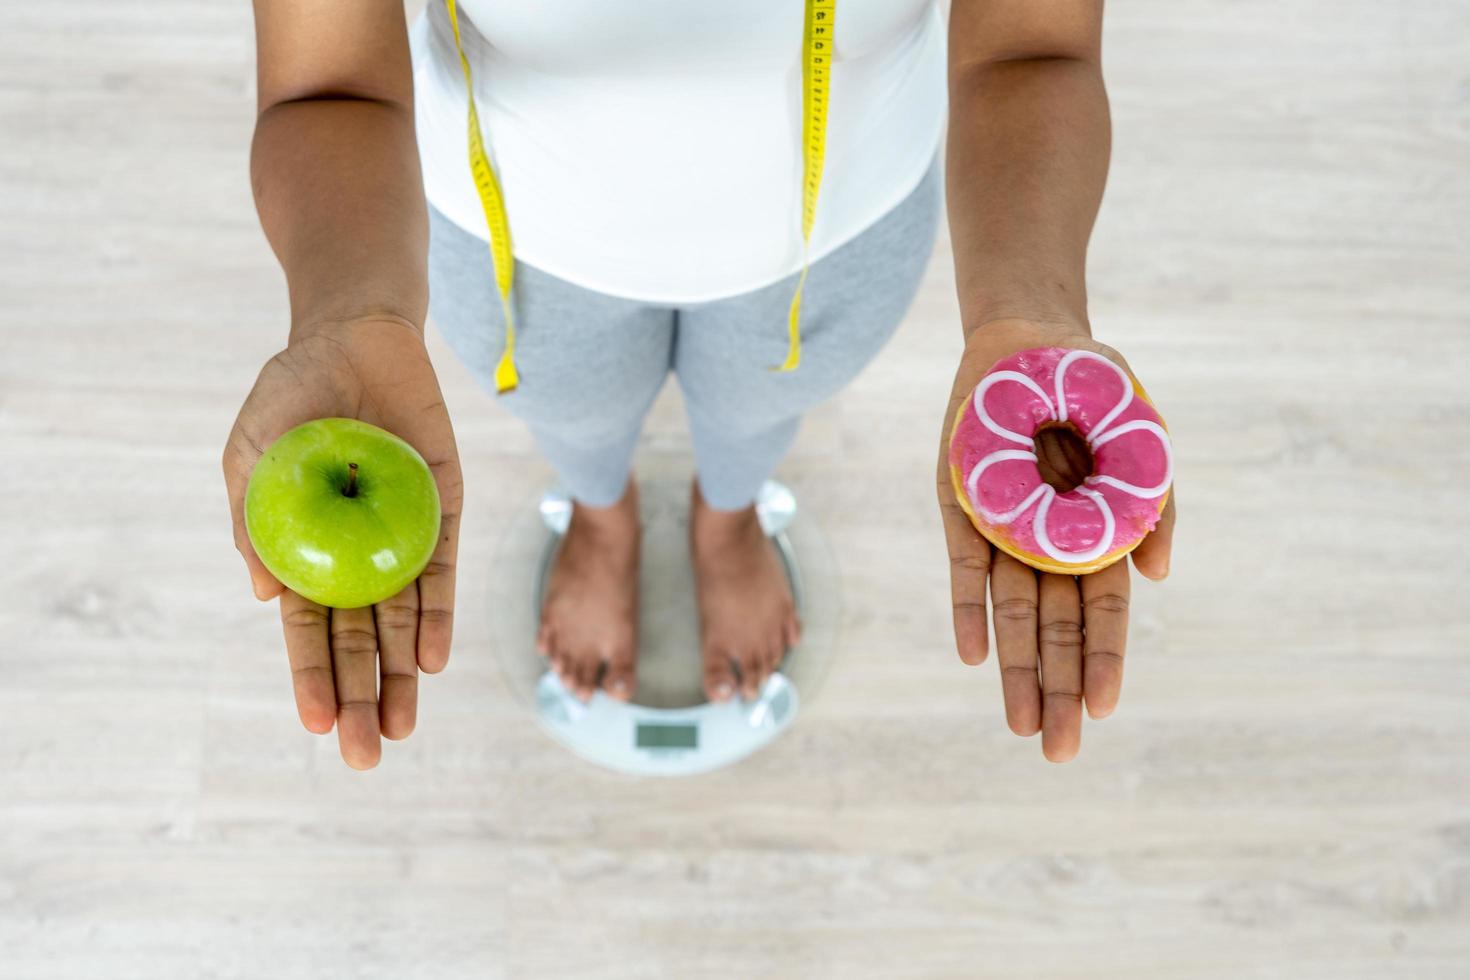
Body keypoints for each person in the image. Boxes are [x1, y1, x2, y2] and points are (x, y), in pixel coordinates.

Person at [223, 0, 1176, 770]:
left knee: (759, 411)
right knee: (569, 412)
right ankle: (603, 518)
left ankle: (727, 520)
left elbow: (1034, 45)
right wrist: (347, 311)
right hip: (513, 239)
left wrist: (1025, 311)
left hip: (833, 240)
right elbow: (327, 81)